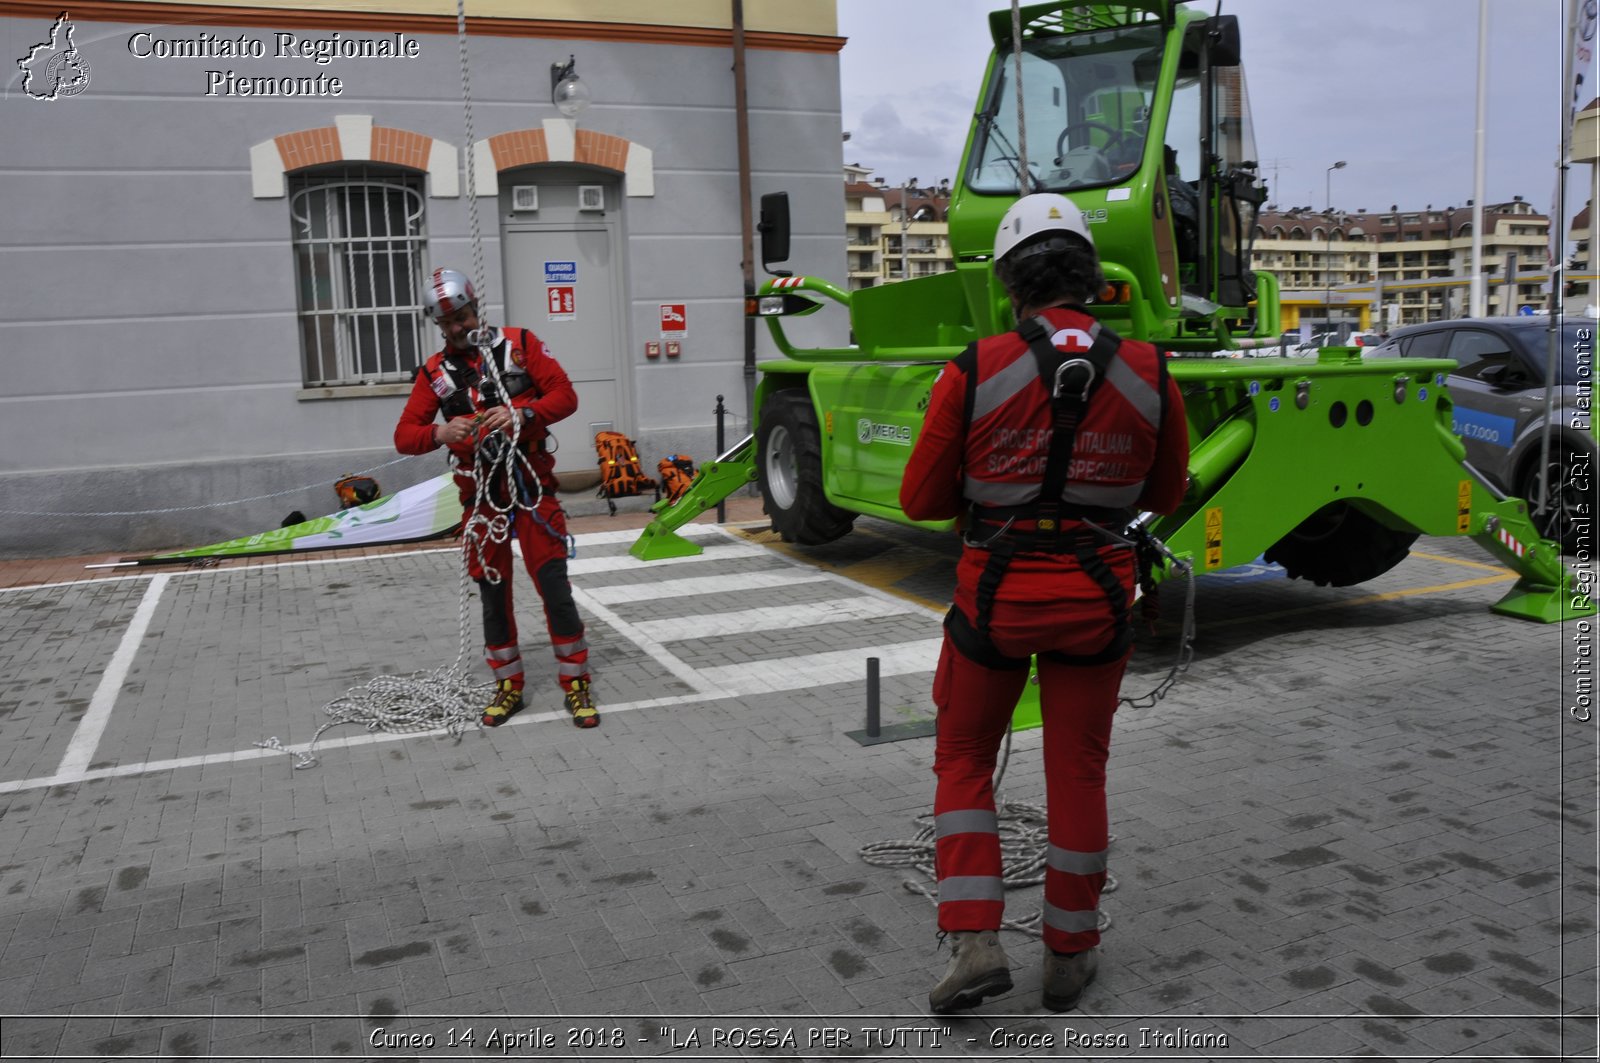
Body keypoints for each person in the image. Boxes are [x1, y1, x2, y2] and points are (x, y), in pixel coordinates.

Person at [900, 193, 1189, 1014]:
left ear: (1010, 284)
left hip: (994, 603)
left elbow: (920, 498)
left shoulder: (976, 366)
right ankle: (1069, 955)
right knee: (1079, 770)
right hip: (1099, 601)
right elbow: (1166, 489)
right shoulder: (1149, 369)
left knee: (963, 758)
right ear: (1093, 279)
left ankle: (975, 941)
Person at [394, 267, 598, 729]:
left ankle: (576, 680)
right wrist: (440, 431)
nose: (455, 328)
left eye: (461, 317)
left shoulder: (519, 346)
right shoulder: (434, 374)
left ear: (474, 309)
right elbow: (404, 436)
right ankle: (508, 685)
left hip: (530, 488)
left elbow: (566, 396)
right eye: (445, 323)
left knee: (553, 584)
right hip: (482, 500)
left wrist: (521, 413)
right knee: (492, 592)